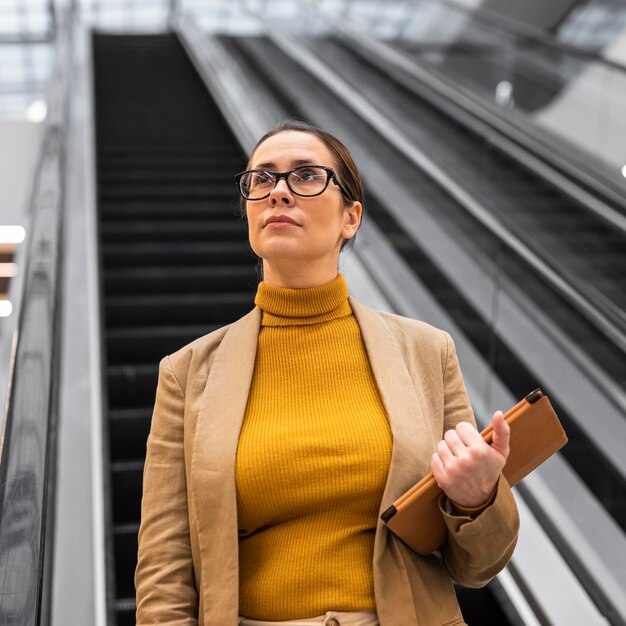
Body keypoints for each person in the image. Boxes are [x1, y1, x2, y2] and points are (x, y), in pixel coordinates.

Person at [134, 120, 519, 626]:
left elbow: (477, 568)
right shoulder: (187, 374)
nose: (279, 192)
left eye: (307, 176)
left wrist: (479, 500)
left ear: (350, 218)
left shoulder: (426, 352)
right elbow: (164, 568)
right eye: (262, 179)